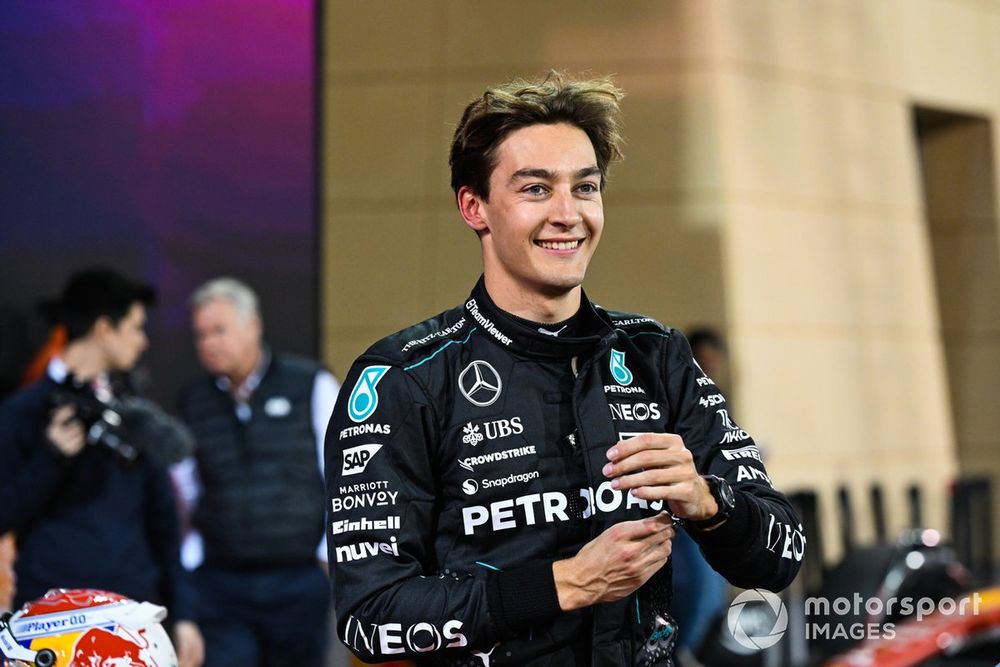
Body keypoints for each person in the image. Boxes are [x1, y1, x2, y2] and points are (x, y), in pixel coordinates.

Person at [325, 72, 805, 666]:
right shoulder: (405, 377)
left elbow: (782, 556)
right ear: (474, 207)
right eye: (535, 189)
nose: (568, 214)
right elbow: (370, 616)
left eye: (585, 188)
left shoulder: (656, 355)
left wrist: (709, 502)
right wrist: (566, 584)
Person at [0, 267, 204, 667]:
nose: (143, 341)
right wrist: (51, 457)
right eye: (135, 327)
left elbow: (164, 527)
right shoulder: (21, 412)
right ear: (104, 328)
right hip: (48, 623)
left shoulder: (137, 416)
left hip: (130, 619)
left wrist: (185, 616)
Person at [176, 277, 339, 667]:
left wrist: (324, 557)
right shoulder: (193, 401)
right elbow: (184, 490)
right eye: (200, 335)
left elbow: (342, 471)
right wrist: (191, 559)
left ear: (253, 326)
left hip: (298, 578)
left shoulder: (311, 383)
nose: (208, 343)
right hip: (221, 583)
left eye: (219, 330)